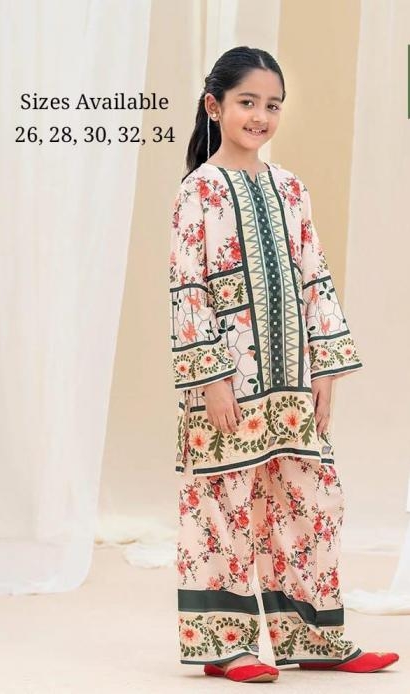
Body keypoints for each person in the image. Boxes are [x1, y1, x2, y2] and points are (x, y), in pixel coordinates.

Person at [168, 46, 399, 684]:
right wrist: (210, 379)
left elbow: (314, 278)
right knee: (223, 505)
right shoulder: (198, 191)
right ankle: (225, 646)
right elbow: (188, 288)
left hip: (293, 380)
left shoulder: (291, 188)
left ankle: (314, 637)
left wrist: (325, 371)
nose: (261, 116)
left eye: (273, 105)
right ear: (214, 106)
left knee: (310, 500)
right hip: (226, 385)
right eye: (247, 102)